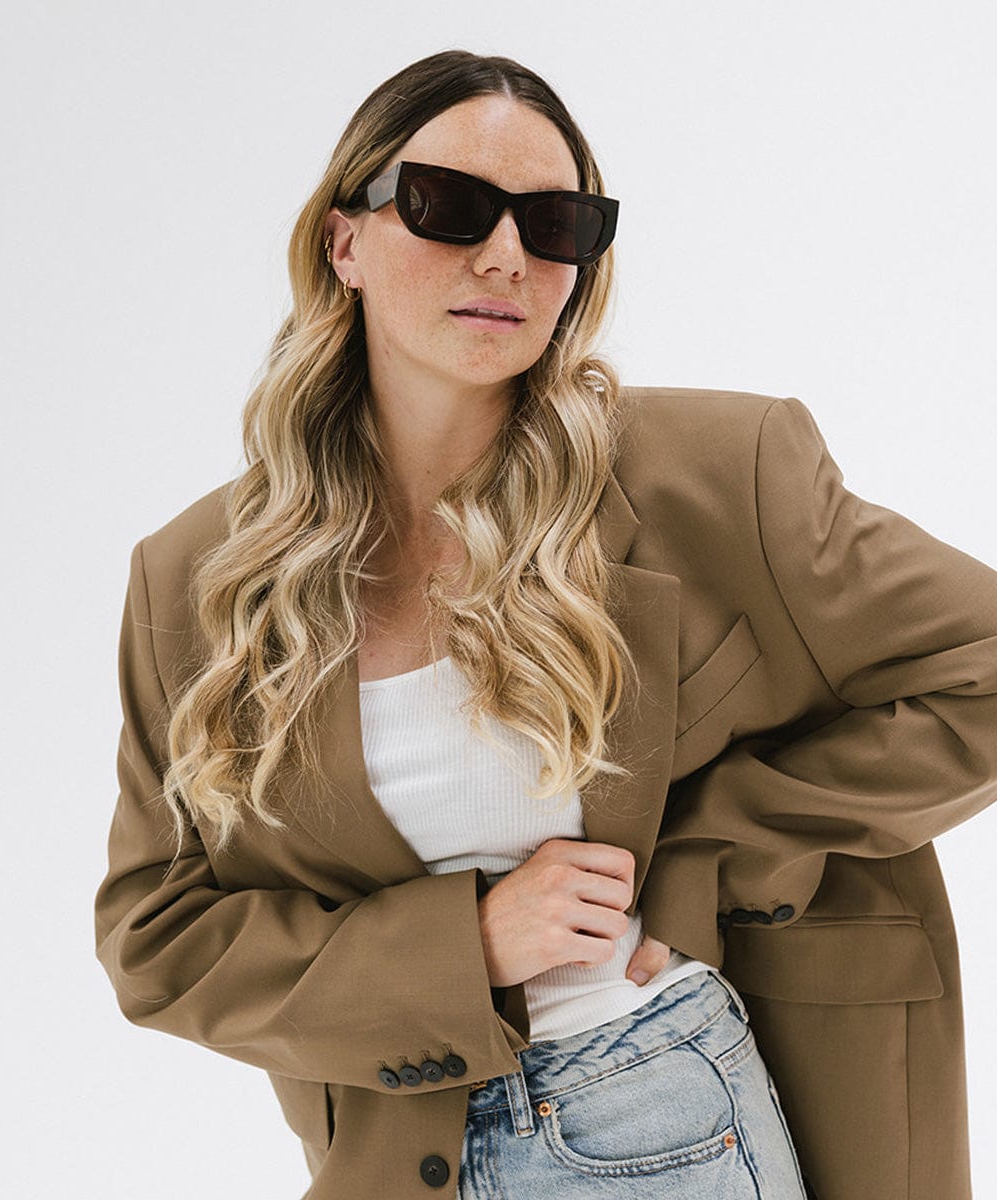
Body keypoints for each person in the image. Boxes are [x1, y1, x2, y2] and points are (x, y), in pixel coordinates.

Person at [94, 49, 997, 1200]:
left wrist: (710, 854)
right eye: (449, 205)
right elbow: (156, 936)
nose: (506, 254)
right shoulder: (197, 581)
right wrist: (463, 945)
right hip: (394, 1158)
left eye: (556, 222)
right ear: (345, 241)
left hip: (662, 1118)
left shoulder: (716, 478)